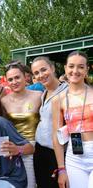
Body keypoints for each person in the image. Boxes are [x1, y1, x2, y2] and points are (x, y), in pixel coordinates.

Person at [52, 51, 93, 188]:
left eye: (81, 67)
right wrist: (61, 169)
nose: (75, 71)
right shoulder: (58, 100)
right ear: (65, 68)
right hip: (74, 157)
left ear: (87, 69)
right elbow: (56, 136)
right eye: (71, 66)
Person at [1, 62, 42, 188]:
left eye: (17, 77)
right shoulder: (4, 101)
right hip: (12, 149)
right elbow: (3, 128)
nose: (14, 82)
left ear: (26, 77)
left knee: (30, 184)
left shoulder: (39, 96)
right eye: (10, 79)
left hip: (33, 148)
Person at [31, 56, 68, 188]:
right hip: (40, 150)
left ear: (52, 68)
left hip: (57, 153)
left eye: (43, 70)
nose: (40, 75)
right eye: (36, 73)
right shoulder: (43, 93)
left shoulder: (67, 91)